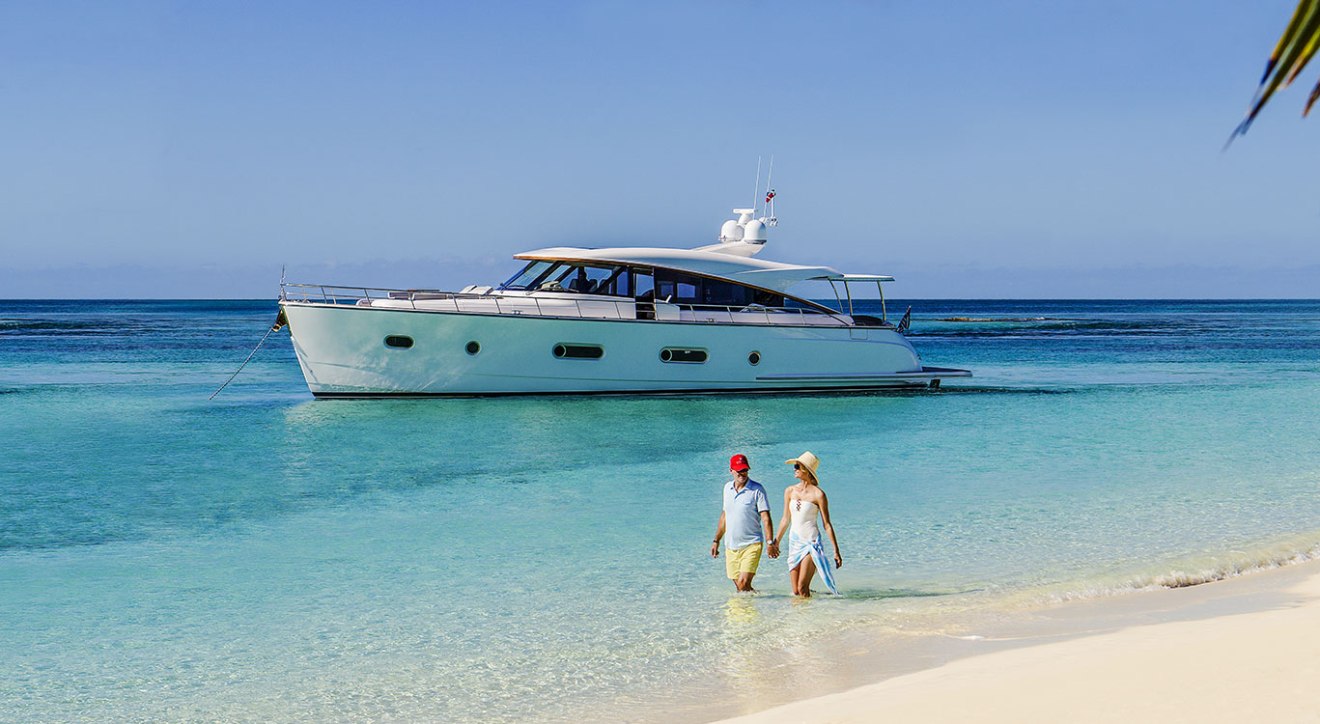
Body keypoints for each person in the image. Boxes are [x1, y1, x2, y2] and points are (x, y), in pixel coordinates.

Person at [772, 451, 841, 597]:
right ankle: (803, 616)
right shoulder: (789, 491)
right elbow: (785, 519)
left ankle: (811, 615)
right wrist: (776, 541)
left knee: (802, 588)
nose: (795, 469)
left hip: (811, 543)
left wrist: (836, 550)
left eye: (797, 466)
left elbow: (827, 524)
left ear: (807, 470)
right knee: (796, 592)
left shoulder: (818, 494)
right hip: (794, 542)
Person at [711, 453, 779, 592]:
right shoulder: (727, 489)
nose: (742, 473)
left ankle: (751, 608)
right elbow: (725, 516)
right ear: (731, 471)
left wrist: (770, 542)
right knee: (741, 588)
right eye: (739, 470)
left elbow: (766, 518)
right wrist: (716, 540)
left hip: (752, 544)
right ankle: (752, 606)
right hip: (731, 546)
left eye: (745, 470)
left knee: (742, 583)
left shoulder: (757, 489)